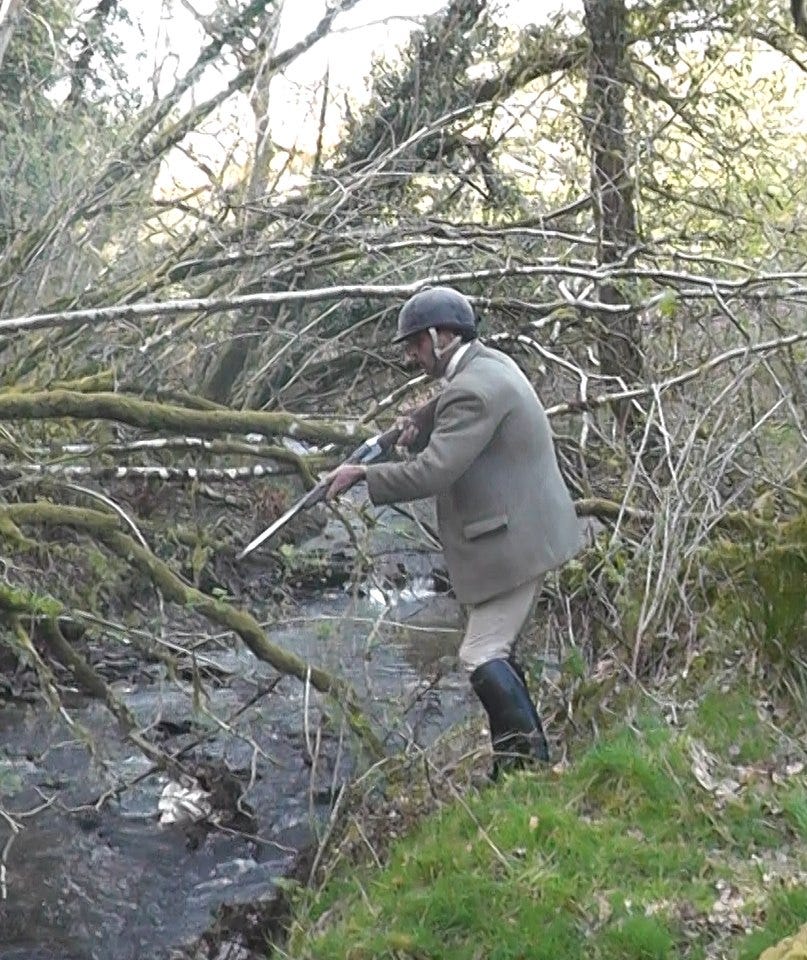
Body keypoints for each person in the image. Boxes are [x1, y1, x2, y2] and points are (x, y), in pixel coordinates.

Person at [326, 286, 580, 779]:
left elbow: (432, 473)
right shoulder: (489, 364)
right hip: (533, 530)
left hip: (516, 543)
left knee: (480, 653)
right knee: (494, 650)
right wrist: (426, 417)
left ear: (442, 337)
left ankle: (528, 767)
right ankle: (514, 765)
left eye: (416, 343)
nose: (410, 354)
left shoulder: (471, 389)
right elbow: (463, 413)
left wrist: (363, 477)